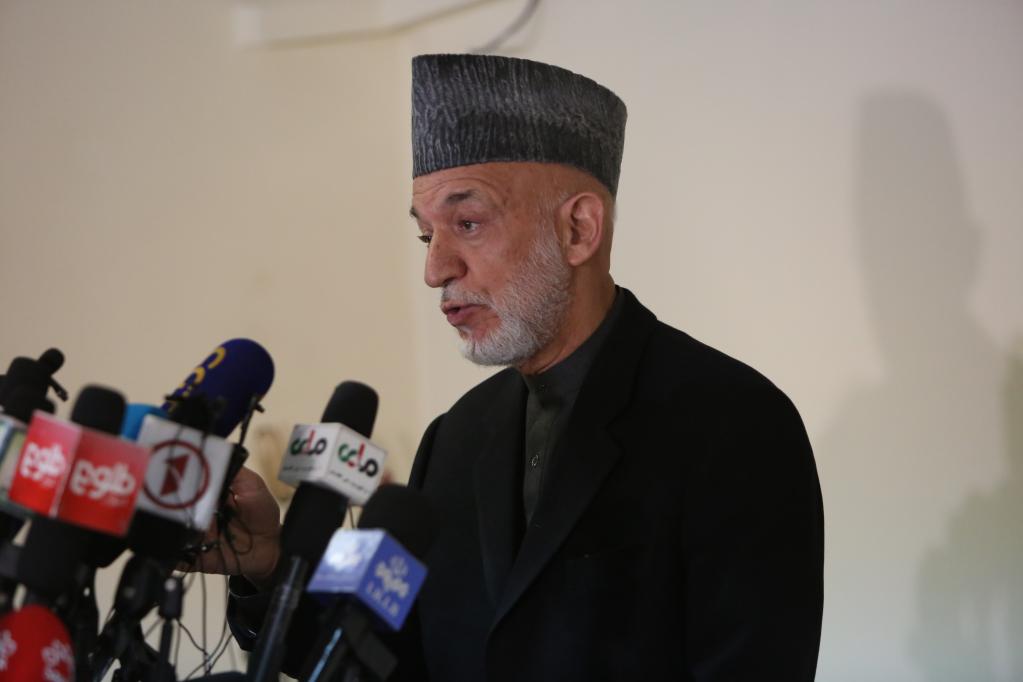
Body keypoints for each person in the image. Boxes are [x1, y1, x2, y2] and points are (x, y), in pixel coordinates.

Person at [201, 54, 825, 681]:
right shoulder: (454, 439)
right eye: (426, 236)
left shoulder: (732, 423)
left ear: (578, 229)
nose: (435, 270)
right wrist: (268, 565)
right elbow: (377, 657)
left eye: (468, 223)